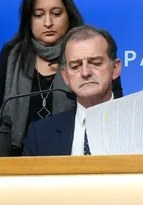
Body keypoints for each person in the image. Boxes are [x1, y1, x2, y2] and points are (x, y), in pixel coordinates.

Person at [0, 0, 122, 155]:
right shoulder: (12, 55)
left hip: (74, 151)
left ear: (68, 16)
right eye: (38, 15)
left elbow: (113, 107)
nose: (48, 22)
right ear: (28, 20)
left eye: (56, 13)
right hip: (16, 157)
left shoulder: (91, 54)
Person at [22, 25, 121, 157]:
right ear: (65, 76)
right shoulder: (40, 134)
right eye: (75, 66)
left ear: (115, 68)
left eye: (95, 63)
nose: (85, 73)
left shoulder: (142, 125)